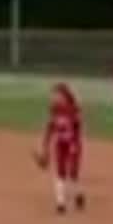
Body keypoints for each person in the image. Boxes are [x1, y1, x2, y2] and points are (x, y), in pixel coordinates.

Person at [36, 82, 86, 214]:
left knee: (73, 172)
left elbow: (77, 128)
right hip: (60, 144)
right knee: (61, 171)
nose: (54, 98)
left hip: (73, 143)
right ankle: (60, 203)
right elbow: (50, 128)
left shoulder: (73, 109)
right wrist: (44, 146)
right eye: (54, 95)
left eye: (57, 95)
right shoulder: (54, 109)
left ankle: (77, 193)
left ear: (64, 95)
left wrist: (74, 145)